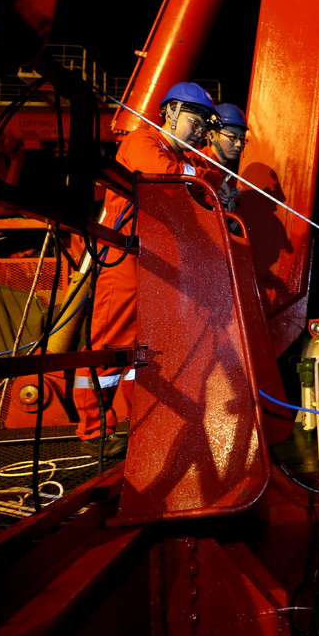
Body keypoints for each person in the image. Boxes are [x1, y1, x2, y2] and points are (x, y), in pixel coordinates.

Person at [74, 82, 218, 458]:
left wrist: (196, 174)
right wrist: (195, 175)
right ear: (169, 112)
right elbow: (166, 175)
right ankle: (94, 431)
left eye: (205, 123)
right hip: (121, 258)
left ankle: (138, 422)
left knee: (146, 348)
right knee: (110, 341)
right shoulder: (141, 141)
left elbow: (206, 177)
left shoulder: (178, 153)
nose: (200, 129)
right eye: (195, 118)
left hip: (154, 260)